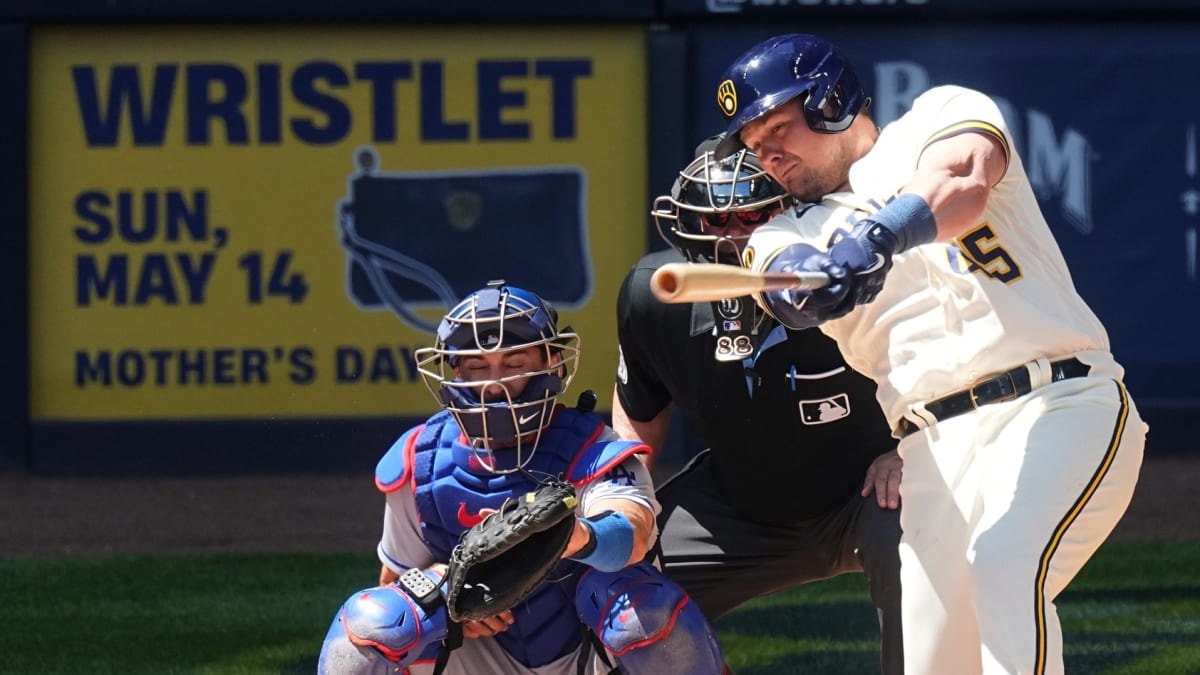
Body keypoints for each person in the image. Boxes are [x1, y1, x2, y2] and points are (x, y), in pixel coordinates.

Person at [714, 33, 1147, 675]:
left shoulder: (937, 116)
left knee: (1005, 560)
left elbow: (963, 177)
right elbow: (788, 288)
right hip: (931, 454)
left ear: (830, 101)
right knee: (935, 659)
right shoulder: (782, 231)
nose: (768, 153)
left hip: (1059, 400)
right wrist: (818, 279)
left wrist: (877, 238)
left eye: (777, 125)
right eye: (753, 144)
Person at [318, 282, 728, 675]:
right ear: (454, 371)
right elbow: (394, 581)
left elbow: (634, 535)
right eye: (477, 366)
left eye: (513, 364)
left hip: (583, 654)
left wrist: (568, 537)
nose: (494, 384)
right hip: (471, 656)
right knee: (375, 618)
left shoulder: (593, 449)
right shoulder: (420, 459)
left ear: (552, 363)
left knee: (642, 608)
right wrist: (451, 596)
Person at [613, 141, 905, 674]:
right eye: (715, 220)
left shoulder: (853, 277)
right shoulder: (654, 295)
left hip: (867, 493)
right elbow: (638, 409)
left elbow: (951, 368)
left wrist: (913, 451)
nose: (733, 236)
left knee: (922, 544)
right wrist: (619, 499)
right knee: (616, 596)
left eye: (754, 215)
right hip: (739, 507)